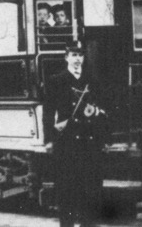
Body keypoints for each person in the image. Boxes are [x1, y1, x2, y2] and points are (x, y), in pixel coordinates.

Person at [43, 41, 109, 227]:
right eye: (73, 55)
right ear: (66, 58)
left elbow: (102, 109)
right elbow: (48, 112)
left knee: (92, 189)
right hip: (67, 142)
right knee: (68, 190)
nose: (77, 59)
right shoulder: (56, 80)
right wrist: (49, 139)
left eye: (80, 55)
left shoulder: (92, 80)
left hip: (90, 142)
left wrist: (103, 138)